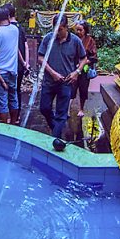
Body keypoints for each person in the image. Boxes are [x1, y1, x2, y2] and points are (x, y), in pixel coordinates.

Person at [38, 16, 87, 144]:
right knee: (44, 108)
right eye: (55, 29)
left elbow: (84, 59)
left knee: (62, 114)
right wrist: (52, 73)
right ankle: (55, 128)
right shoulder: (48, 38)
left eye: (60, 30)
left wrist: (77, 72)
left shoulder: (75, 41)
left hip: (66, 82)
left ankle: (55, 139)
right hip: (49, 81)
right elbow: (40, 58)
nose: (57, 33)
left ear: (66, 28)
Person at [73, 20, 100, 124]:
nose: (78, 32)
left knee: (83, 89)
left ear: (85, 30)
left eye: (80, 30)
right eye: (77, 30)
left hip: (85, 69)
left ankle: (81, 109)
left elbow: (94, 57)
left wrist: (84, 62)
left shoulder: (90, 40)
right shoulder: (73, 39)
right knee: (71, 88)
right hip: (73, 68)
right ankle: (67, 109)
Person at [6, 3, 30, 120]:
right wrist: (26, 62)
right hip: (20, 65)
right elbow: (26, 46)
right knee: (17, 89)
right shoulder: (20, 27)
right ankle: (17, 115)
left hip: (11, 64)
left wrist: (22, 61)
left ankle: (11, 116)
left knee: (10, 91)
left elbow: (15, 48)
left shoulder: (9, 28)